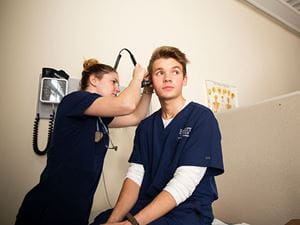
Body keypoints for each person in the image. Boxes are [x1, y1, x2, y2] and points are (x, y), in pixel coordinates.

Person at [91, 46, 224, 225]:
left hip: (187, 210)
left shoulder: (202, 118)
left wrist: (133, 223)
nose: (168, 78)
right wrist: (113, 221)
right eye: (160, 72)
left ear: (184, 79)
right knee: (101, 219)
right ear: (150, 82)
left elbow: (184, 183)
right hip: (149, 202)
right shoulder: (146, 126)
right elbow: (135, 175)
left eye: (175, 72)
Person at [15, 58, 153, 225]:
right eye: (113, 82)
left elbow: (136, 117)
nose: (117, 88)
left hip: (77, 208)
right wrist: (137, 77)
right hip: (50, 206)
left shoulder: (100, 118)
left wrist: (148, 90)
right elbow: (126, 105)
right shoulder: (75, 100)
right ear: (93, 80)